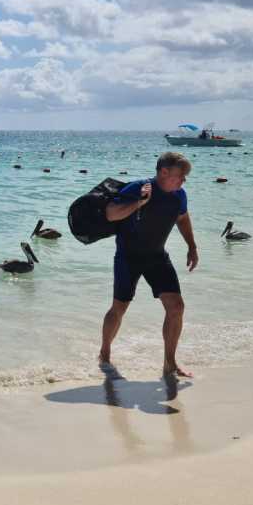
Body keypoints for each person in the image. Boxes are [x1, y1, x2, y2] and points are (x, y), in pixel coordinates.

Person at [99, 152, 198, 377]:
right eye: (181, 176)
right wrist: (139, 202)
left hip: (157, 257)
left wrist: (192, 246)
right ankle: (104, 353)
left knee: (176, 307)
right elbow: (111, 214)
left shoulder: (179, 195)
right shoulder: (138, 188)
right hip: (128, 257)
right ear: (164, 172)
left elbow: (182, 218)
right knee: (119, 308)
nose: (183, 181)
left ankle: (169, 363)